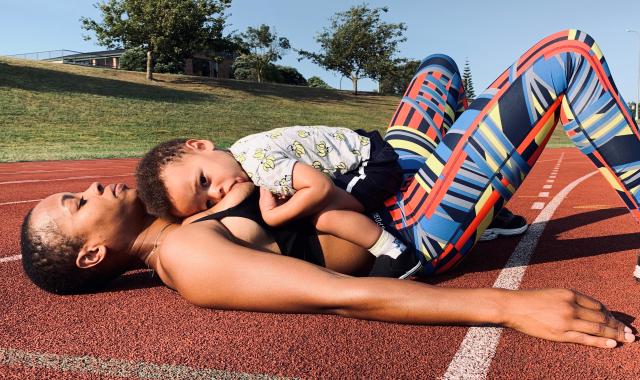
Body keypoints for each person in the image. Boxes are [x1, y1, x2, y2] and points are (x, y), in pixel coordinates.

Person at [20, 30, 638, 348]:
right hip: (415, 227)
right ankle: (481, 201)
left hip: (388, 183)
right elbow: (339, 296)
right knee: (566, 56)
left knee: (439, 69)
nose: (91, 186)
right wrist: (508, 307)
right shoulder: (188, 255)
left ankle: (489, 202)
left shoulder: (183, 228)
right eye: (76, 203)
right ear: (92, 253)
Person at [135, 127, 418, 277]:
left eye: (204, 181)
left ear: (200, 146)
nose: (218, 194)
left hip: (371, 163)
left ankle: (395, 253)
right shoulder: (244, 158)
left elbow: (319, 186)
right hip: (357, 156)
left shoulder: (259, 162)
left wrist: (273, 218)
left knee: (326, 216)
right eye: (208, 204)